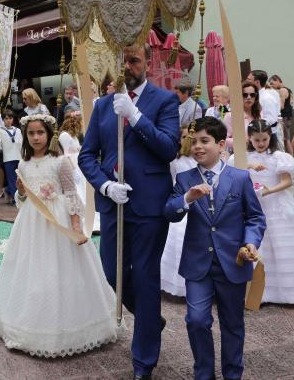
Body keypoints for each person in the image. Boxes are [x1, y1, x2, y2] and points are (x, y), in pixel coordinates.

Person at [78, 43, 180, 379]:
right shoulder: (103, 105)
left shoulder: (164, 101)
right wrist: (104, 185)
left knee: (146, 277)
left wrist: (136, 117)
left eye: (133, 61)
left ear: (146, 63)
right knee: (113, 273)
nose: (127, 67)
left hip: (150, 203)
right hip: (113, 203)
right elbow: (86, 156)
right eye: (122, 62)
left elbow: (168, 149)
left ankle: (143, 361)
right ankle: (150, 319)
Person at [0, 114, 117, 357]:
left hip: (59, 221)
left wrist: (76, 226)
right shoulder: (23, 165)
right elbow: (21, 201)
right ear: (26, 137)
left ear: (50, 134)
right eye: (31, 134)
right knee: (33, 268)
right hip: (32, 223)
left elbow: (71, 194)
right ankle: (28, 322)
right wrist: (23, 192)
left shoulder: (60, 163)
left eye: (40, 133)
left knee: (62, 268)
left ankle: (70, 324)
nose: (36, 138)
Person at [166, 116, 265, 380]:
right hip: (197, 264)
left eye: (204, 141)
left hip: (233, 262)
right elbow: (170, 212)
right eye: (193, 141)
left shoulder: (239, 178)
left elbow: (255, 218)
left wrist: (250, 243)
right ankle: (204, 374)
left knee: (232, 324)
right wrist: (187, 198)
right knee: (197, 320)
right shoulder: (185, 178)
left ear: (221, 144)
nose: (197, 146)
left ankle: (233, 374)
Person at [233, 119, 294, 304]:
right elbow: (232, 174)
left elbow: (287, 181)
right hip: (250, 205)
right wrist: (249, 166)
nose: (260, 144)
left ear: (269, 137)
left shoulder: (279, 156)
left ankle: (284, 292)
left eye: (264, 139)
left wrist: (267, 191)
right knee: (255, 243)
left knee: (280, 247)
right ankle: (257, 292)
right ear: (250, 138)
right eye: (256, 140)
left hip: (275, 204)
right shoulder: (242, 157)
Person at [160, 126, 198, 297]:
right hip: (182, 203)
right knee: (178, 243)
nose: (188, 140)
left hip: (199, 203)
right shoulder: (176, 161)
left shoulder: (198, 159)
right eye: (184, 137)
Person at [0, 109, 22, 205]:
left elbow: (21, 144)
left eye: (10, 118)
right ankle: (15, 199)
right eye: (6, 118)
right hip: (8, 158)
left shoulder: (18, 130)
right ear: (3, 120)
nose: (8, 120)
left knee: (19, 178)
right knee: (12, 178)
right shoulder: (0, 130)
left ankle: (8, 190)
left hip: (19, 157)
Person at [224, 80, 262, 152]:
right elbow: (224, 139)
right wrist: (242, 141)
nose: (249, 97)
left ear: (256, 97)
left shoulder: (259, 114)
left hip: (258, 153)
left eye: (252, 95)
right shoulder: (230, 116)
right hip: (240, 154)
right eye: (245, 95)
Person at [270, 74, 294, 153]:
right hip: (288, 117)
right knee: (287, 140)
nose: (272, 86)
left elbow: (281, 106)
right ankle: (291, 158)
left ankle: (288, 158)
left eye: (272, 83)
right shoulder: (288, 90)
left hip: (284, 118)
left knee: (283, 140)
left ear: (277, 80)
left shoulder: (282, 90)